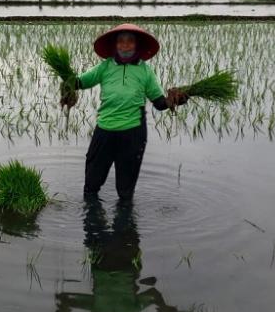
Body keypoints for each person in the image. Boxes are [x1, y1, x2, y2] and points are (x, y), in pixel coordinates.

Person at [34, 198, 224, 312]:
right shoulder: (108, 309)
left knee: (114, 214)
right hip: (109, 258)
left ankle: (114, 203)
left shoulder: (130, 309)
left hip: (119, 259)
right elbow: (66, 299)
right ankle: (116, 202)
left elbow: (153, 294)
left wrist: (164, 309)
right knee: (110, 214)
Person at [70, 23, 189, 200]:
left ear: (137, 45)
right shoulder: (105, 67)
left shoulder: (144, 71)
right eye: (121, 41)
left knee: (125, 191)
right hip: (105, 130)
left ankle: (125, 223)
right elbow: (79, 83)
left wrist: (176, 100)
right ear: (115, 45)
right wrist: (65, 77)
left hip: (133, 133)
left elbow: (159, 103)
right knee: (91, 184)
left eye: (130, 41)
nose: (125, 45)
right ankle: (92, 222)